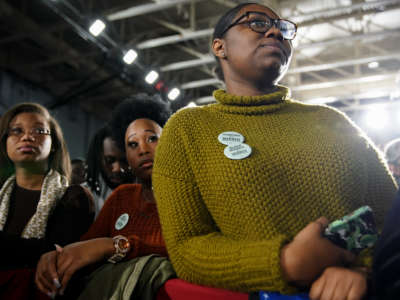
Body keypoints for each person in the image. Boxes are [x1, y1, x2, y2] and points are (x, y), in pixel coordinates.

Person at [152, 2, 397, 299]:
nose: (274, 32)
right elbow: (187, 247)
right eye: (256, 23)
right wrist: (285, 262)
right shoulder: (187, 130)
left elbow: (388, 216)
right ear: (220, 47)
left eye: (282, 28)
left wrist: (364, 270)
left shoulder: (332, 121)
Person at [35, 94, 174, 299]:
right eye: (132, 144)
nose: (143, 149)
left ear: (169, 141)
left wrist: (115, 245)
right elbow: (86, 246)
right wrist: (57, 256)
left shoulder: (188, 196)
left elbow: (187, 254)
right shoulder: (122, 197)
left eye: (152, 138)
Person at [0, 103, 93, 298]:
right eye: (17, 130)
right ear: (4, 142)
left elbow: (57, 257)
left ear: (54, 145)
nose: (27, 136)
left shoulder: (74, 198)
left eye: (39, 130)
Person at [83, 126, 132, 218]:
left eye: (125, 161)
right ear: (98, 159)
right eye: (109, 160)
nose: (118, 168)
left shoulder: (145, 197)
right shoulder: (81, 197)